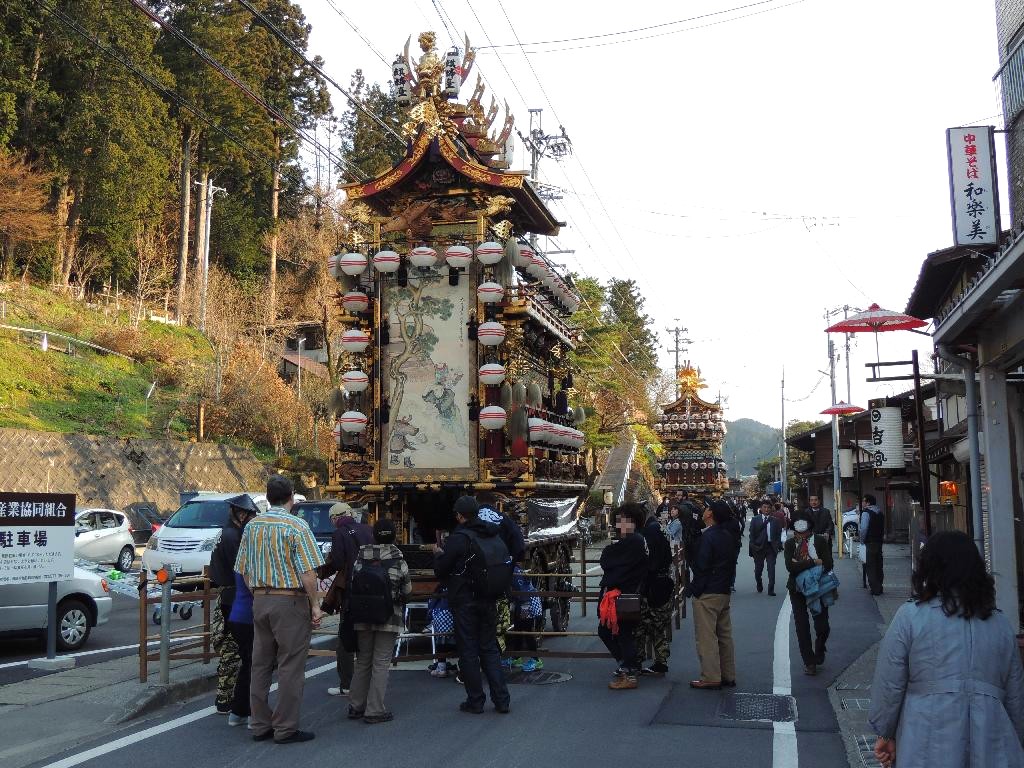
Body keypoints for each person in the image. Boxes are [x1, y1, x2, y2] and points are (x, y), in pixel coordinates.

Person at [869, 531, 1024, 768]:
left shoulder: (910, 616)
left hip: (926, 738)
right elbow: (1015, 695)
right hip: (993, 739)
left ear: (929, 567)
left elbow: (889, 683)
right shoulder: (1000, 624)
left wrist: (885, 733)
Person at [235, 474, 324, 744]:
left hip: (260, 600)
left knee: (260, 664)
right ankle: (285, 728)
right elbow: (308, 572)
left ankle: (260, 724)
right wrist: (315, 605)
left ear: (268, 496)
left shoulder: (252, 526)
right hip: (290, 600)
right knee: (290, 665)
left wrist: (258, 593)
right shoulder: (297, 526)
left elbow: (244, 569)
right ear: (292, 497)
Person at [433, 495, 511, 714]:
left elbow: (442, 570)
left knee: (468, 650)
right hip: (489, 597)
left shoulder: (459, 538)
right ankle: (502, 699)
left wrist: (438, 555)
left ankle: (475, 700)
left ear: (459, 516)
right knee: (489, 648)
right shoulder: (492, 534)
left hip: (465, 600)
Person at [346, 518, 411, 724]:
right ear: (394, 536)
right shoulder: (398, 559)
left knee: (363, 660)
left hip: (363, 614)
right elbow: (407, 590)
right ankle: (374, 709)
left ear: (373, 536)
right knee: (381, 662)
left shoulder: (361, 558)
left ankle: (356, 705)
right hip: (389, 616)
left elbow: (353, 581)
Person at [210, 494, 260, 724]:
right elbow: (243, 568)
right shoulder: (234, 536)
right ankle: (228, 701)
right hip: (234, 596)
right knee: (235, 651)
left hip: (229, 595)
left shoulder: (226, 532)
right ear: (242, 514)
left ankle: (229, 700)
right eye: (250, 515)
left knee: (234, 649)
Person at [319, 502, 372, 697]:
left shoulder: (339, 534)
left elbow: (339, 562)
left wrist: (320, 571)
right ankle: (367, 683)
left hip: (351, 593)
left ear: (335, 519)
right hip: (372, 591)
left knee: (346, 640)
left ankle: (347, 684)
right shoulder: (368, 529)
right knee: (367, 638)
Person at [596, 503, 649, 690]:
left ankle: (629, 671)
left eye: (624, 520)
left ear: (634, 522)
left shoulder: (633, 541)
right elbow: (609, 560)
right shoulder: (634, 541)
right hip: (625, 594)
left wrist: (610, 554)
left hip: (624, 595)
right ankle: (626, 665)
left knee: (621, 633)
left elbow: (607, 559)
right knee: (613, 632)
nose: (620, 524)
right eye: (618, 521)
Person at [687, 500, 737, 690]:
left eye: (707, 508)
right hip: (723, 589)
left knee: (706, 636)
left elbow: (701, 566)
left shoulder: (707, 537)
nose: (704, 510)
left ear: (710, 514)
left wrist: (696, 589)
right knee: (724, 635)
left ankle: (710, 676)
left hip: (708, 592)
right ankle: (728, 674)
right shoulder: (727, 535)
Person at [784, 516, 833, 676]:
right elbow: (790, 567)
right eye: (798, 529)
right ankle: (809, 661)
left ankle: (820, 647)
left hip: (818, 587)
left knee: (822, 625)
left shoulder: (819, 541)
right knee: (802, 626)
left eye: (804, 529)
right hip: (797, 588)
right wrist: (813, 562)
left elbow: (828, 563)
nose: (801, 533)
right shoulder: (790, 543)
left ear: (810, 528)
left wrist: (802, 563)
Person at [635, 508, 674, 676]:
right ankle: (661, 661)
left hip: (653, 585)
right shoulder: (659, 529)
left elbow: (649, 560)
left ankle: (637, 661)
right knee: (659, 627)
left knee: (641, 625)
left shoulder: (648, 533)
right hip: (665, 582)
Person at [748, 499, 780, 596]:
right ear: (761, 508)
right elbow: (752, 535)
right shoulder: (755, 520)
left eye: (768, 508)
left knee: (771, 569)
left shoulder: (775, 520)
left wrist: (777, 545)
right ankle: (759, 583)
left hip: (771, 547)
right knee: (758, 570)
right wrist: (753, 546)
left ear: (771, 509)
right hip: (758, 548)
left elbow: (778, 534)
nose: (766, 509)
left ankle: (771, 589)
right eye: (764, 507)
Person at [860, 494, 884, 595]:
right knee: (879, 565)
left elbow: (864, 529)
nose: (862, 503)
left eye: (864, 501)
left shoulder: (866, 513)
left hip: (869, 542)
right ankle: (880, 586)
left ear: (868, 503)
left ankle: (875, 589)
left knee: (870, 566)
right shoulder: (880, 512)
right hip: (879, 541)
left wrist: (862, 541)